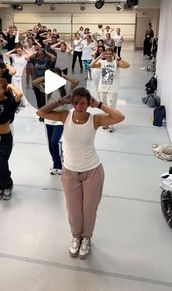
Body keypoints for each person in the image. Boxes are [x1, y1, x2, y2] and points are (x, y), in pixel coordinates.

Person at [37, 87, 125, 259]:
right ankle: (76, 237)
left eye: (83, 103)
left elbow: (120, 117)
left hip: (92, 171)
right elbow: (40, 112)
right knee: (73, 210)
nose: (78, 107)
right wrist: (61, 101)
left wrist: (99, 104)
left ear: (88, 103)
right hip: (70, 172)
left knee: (89, 210)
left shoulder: (95, 120)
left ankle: (87, 238)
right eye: (75, 103)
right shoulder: (65, 116)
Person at [32, 68, 79, 174]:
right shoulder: (46, 86)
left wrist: (63, 76)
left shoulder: (66, 86)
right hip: (49, 117)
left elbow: (76, 82)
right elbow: (34, 82)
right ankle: (55, 164)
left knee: (54, 142)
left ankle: (59, 166)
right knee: (50, 144)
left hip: (61, 118)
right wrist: (47, 77)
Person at [90, 48, 130, 132]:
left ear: (113, 54)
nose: (108, 55)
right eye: (107, 53)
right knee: (104, 107)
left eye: (110, 54)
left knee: (111, 108)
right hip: (102, 88)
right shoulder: (102, 62)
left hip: (112, 89)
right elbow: (91, 65)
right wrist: (99, 57)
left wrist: (119, 58)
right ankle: (106, 123)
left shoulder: (116, 63)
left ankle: (111, 125)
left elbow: (127, 65)